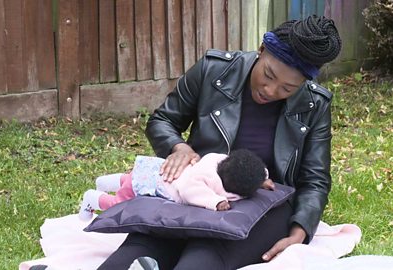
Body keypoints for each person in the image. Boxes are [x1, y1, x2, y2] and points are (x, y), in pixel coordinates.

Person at [98, 14, 342, 270]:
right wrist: (178, 147)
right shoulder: (213, 69)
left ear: (303, 84)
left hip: (265, 202)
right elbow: (162, 120)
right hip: (197, 188)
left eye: (287, 89)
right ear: (261, 50)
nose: (271, 90)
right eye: (268, 75)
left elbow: (315, 179)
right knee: (136, 253)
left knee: (202, 259)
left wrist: (299, 231)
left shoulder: (315, 105)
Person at [79, 149, 274, 220]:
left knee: (129, 178)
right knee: (120, 205)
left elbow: (253, 168)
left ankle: (105, 182)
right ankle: (93, 199)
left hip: (153, 170)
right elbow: (190, 192)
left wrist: (262, 179)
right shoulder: (206, 178)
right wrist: (215, 201)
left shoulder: (219, 159)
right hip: (154, 184)